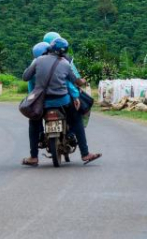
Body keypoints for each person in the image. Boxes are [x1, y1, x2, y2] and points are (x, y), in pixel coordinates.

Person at [21, 37, 101, 166]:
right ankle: (85, 153)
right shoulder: (65, 63)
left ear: (50, 48)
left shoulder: (38, 60)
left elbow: (25, 77)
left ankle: (33, 156)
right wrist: (83, 82)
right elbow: (75, 81)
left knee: (34, 123)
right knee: (76, 120)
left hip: (42, 103)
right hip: (62, 102)